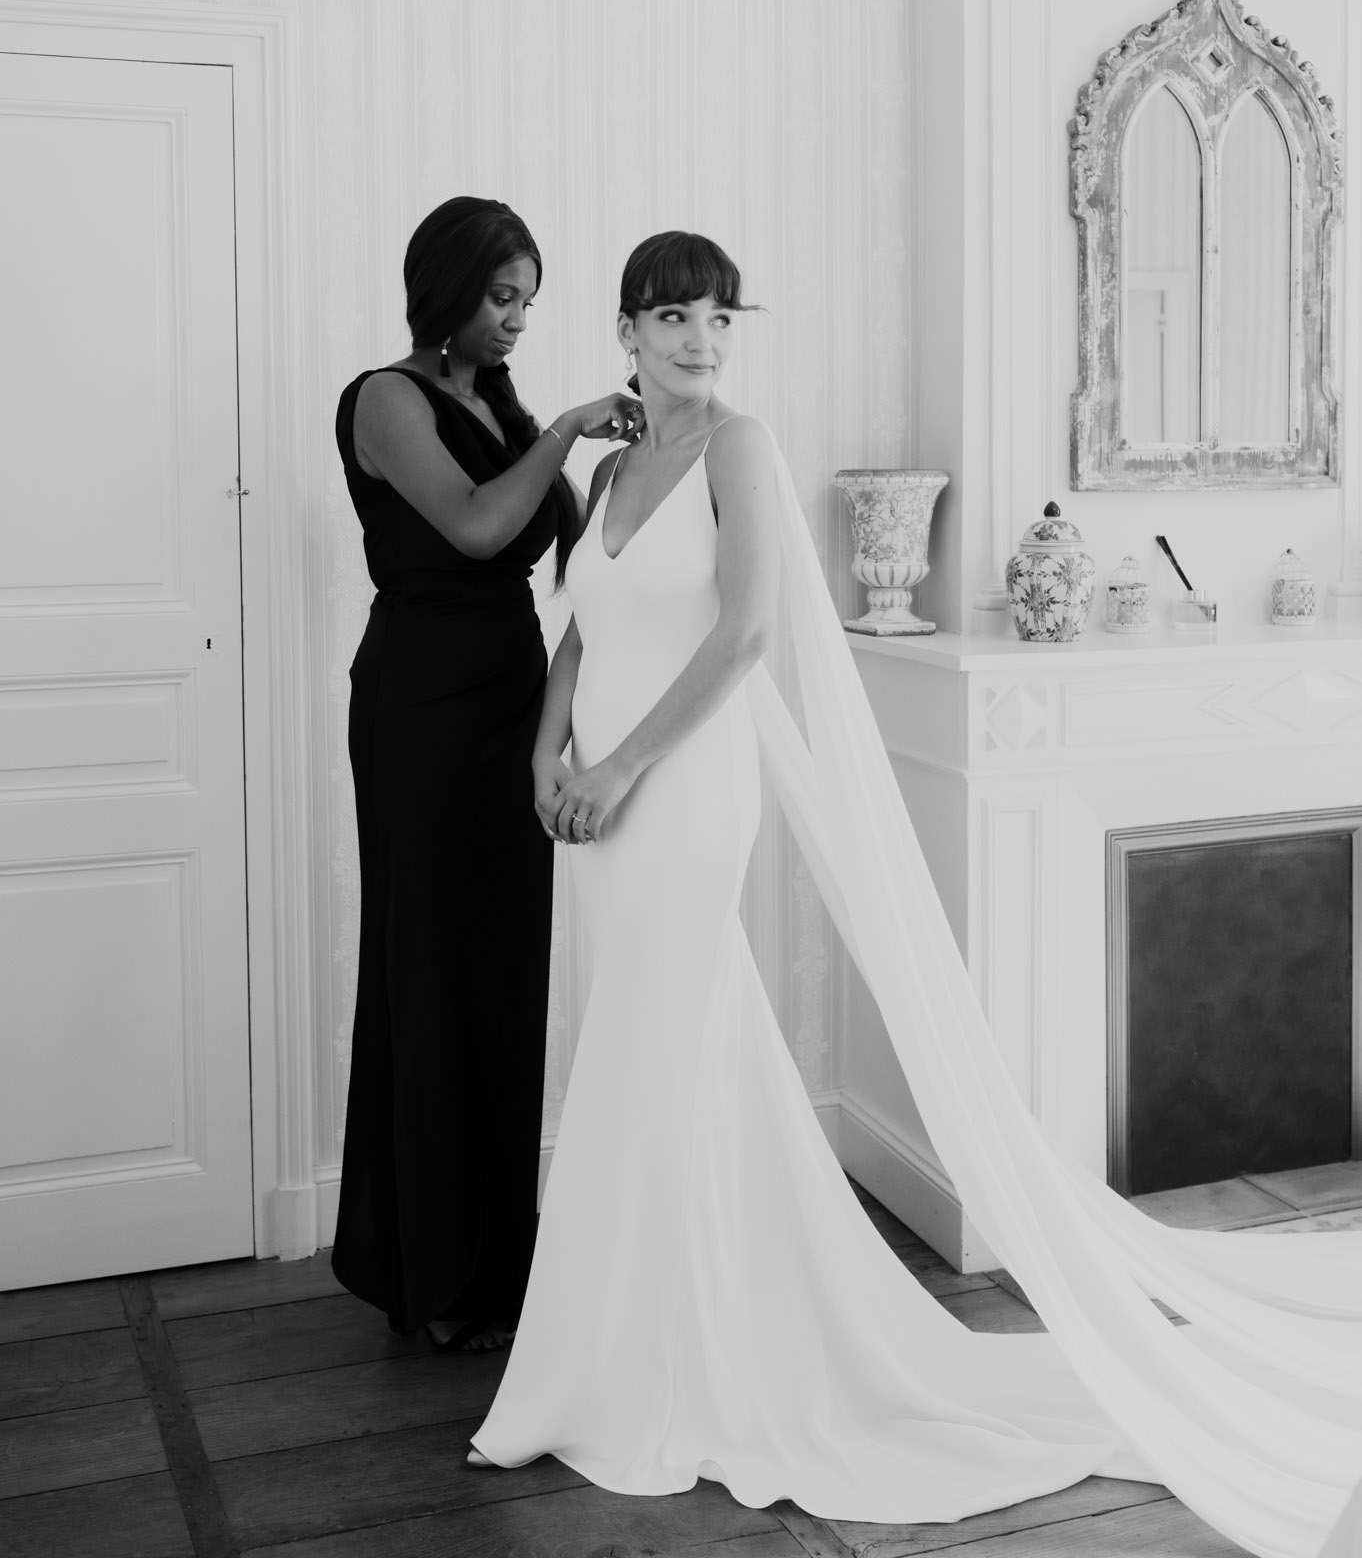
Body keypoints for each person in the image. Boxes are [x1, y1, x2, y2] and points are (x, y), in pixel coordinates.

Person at [468, 228, 1362, 1556]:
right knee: (643, 1059)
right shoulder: (604, 470)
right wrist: (551, 756)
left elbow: (748, 635)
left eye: (718, 317)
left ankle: (659, 1369)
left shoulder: (737, 449)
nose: (698, 342)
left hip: (684, 790)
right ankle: (627, 1345)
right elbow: (583, 628)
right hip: (590, 793)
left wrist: (625, 770)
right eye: (670, 320)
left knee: (655, 1047)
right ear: (626, 333)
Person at [331, 196, 641, 1352]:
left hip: (510, 707)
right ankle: (425, 1264)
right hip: (418, 711)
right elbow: (470, 529)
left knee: (505, 973)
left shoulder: (494, 403)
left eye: (529, 302)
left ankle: (499, 1258)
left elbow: (563, 548)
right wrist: (562, 428)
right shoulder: (386, 397)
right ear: (447, 287)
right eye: (502, 296)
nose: (516, 319)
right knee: (429, 966)